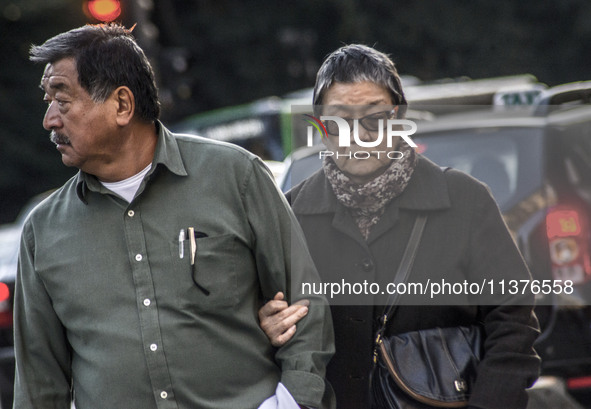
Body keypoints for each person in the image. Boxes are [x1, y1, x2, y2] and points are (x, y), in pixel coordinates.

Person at [15, 23, 334, 409]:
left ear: (121, 105)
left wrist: (293, 402)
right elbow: (38, 385)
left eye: (62, 101)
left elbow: (305, 303)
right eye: (47, 102)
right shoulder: (43, 230)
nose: (50, 119)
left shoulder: (235, 176)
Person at [259, 44, 541, 409]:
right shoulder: (291, 214)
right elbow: (262, 326)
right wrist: (265, 329)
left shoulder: (464, 200)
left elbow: (514, 325)